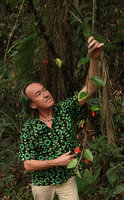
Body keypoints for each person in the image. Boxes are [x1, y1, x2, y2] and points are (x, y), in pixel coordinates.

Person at [19, 36, 104, 200]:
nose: (45, 94)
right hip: (42, 184)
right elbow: (28, 164)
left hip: (67, 181)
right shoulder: (29, 128)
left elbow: (90, 87)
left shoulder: (64, 109)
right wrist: (56, 162)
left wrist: (94, 59)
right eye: (38, 94)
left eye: (44, 90)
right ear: (32, 105)